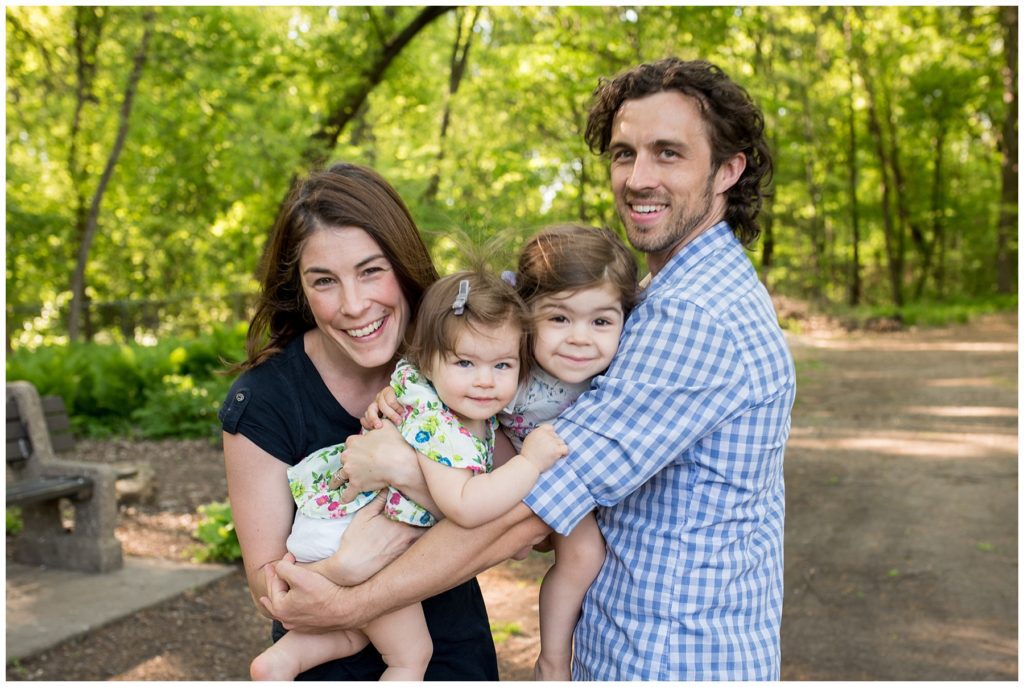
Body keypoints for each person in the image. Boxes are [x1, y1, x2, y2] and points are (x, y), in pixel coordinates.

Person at [261, 57, 796, 681]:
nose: (637, 177)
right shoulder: (649, 298)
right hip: (638, 644)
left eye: (668, 153)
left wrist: (349, 602)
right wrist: (418, 413)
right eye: (624, 154)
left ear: (729, 170)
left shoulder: (697, 316)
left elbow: (532, 511)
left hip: (670, 656)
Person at [219, 163, 500, 680]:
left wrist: (404, 472)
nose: (354, 305)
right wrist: (346, 570)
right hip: (325, 660)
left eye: (371, 271)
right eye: (324, 281)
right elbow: (270, 589)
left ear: (404, 262)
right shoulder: (264, 400)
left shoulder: (463, 362)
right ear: (300, 290)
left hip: (451, 652)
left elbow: (514, 528)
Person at [249, 270, 568, 680]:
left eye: (502, 364)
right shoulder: (436, 423)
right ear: (429, 360)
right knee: (411, 655)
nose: (485, 381)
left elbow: (522, 540)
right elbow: (467, 506)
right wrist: (530, 463)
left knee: (353, 634)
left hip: (336, 529)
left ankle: (280, 662)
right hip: (353, 536)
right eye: (465, 362)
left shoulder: (450, 403)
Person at [369, 224, 639, 680]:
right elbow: (439, 366)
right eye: (559, 318)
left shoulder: (620, 371)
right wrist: (390, 398)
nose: (580, 338)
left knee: (585, 552)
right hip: (493, 456)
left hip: (543, 468)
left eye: (601, 321)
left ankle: (552, 659)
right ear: (526, 314)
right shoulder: (503, 358)